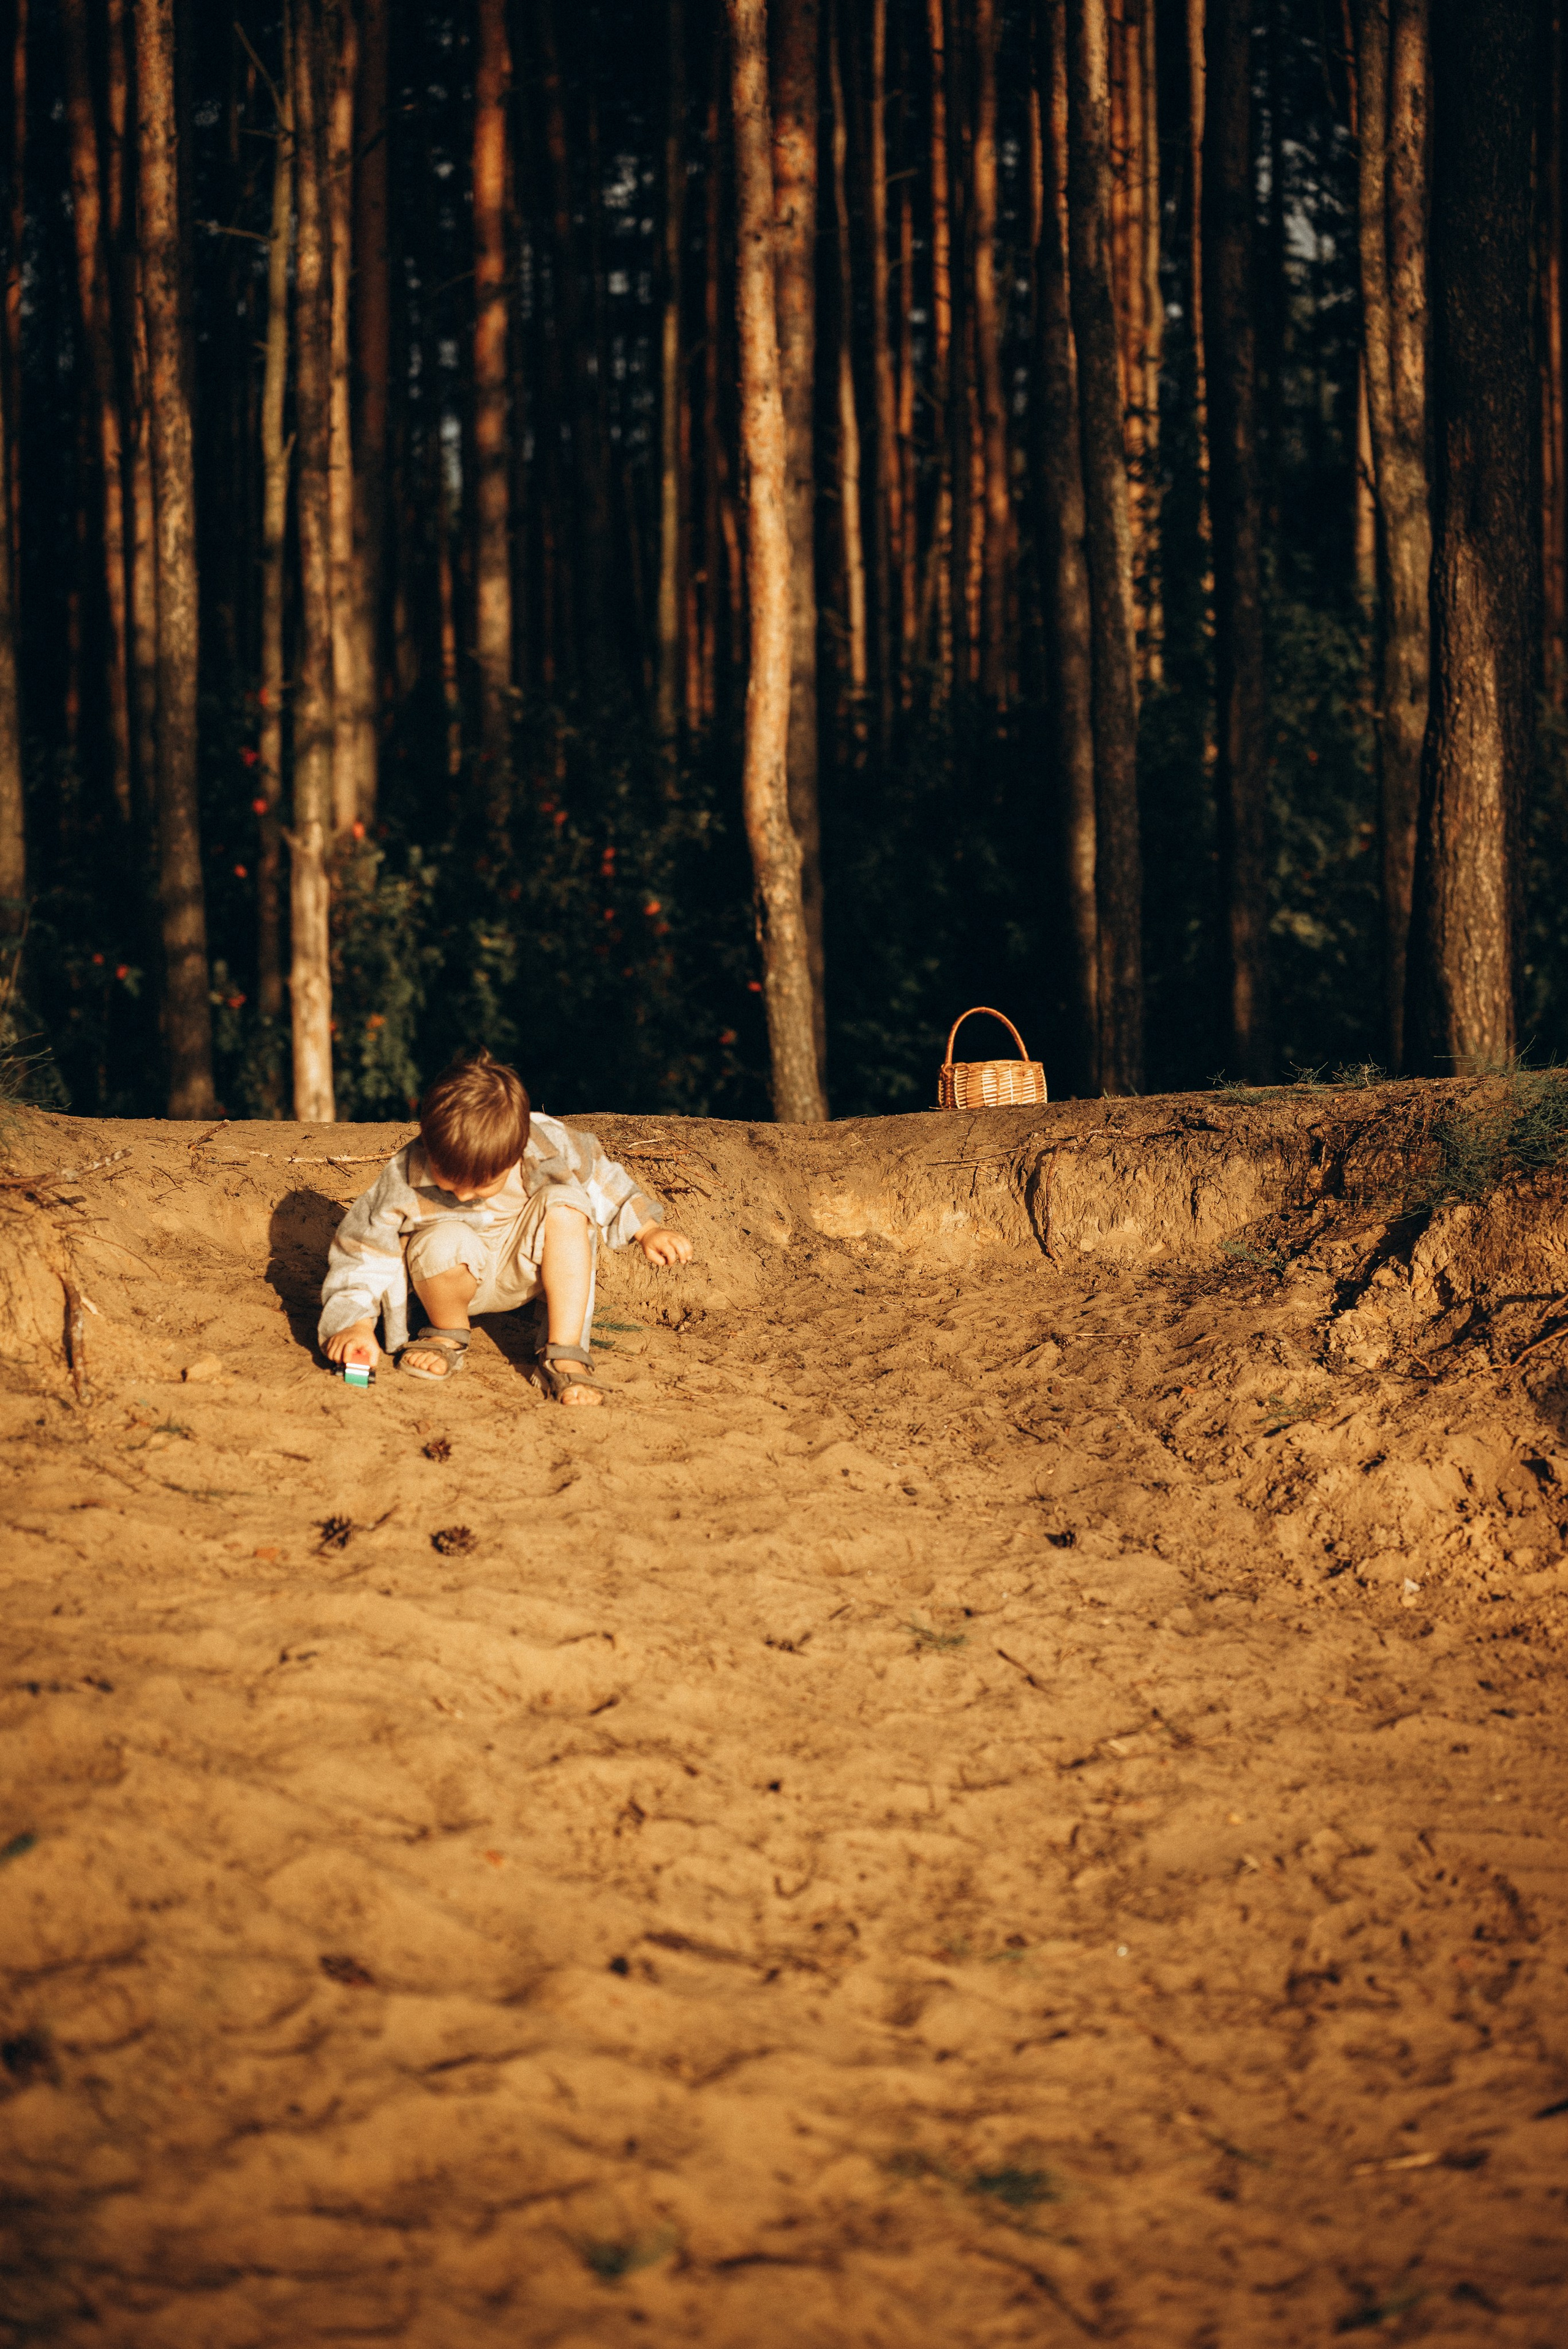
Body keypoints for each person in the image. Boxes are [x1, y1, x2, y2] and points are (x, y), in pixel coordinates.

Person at [318, 1047, 691, 1406]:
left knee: (569, 1203)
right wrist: (355, 1323)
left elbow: (601, 1178)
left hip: (523, 1269)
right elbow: (364, 1251)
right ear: (429, 1147)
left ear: (516, 1153)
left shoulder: (545, 1143)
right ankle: (446, 1333)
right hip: (449, 1282)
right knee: (443, 1237)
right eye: (450, 1181)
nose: (465, 1196)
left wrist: (646, 1229)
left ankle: (564, 1353)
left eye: (483, 1184)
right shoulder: (404, 1175)